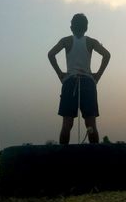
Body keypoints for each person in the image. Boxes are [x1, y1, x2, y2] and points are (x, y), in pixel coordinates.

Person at [48, 13, 111, 144]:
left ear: (71, 27)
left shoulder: (66, 40)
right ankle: (95, 157)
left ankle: (62, 157)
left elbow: (51, 54)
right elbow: (107, 55)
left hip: (70, 81)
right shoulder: (91, 42)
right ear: (86, 28)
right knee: (91, 124)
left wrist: (60, 74)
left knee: (67, 123)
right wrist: (98, 75)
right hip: (88, 82)